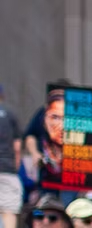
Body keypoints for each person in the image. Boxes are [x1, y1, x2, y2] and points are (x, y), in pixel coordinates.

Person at [0, 85, 21, 228]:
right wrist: (16, 168)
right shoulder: (11, 114)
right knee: (8, 211)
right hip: (7, 169)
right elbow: (17, 147)